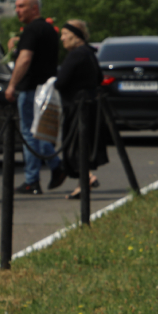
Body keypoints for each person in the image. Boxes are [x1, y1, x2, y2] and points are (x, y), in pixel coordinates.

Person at [4, 0, 63, 195]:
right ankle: (55, 166)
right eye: (16, 7)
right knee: (40, 132)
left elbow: (25, 59)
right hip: (47, 88)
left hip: (31, 89)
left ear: (34, 8)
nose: (17, 11)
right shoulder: (49, 30)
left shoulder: (31, 30)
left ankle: (33, 179)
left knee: (30, 135)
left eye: (21, 6)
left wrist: (12, 85)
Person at [54, 19, 107, 198]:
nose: (62, 39)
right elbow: (99, 78)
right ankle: (82, 185)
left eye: (65, 34)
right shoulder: (89, 53)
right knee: (81, 147)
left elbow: (61, 81)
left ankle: (87, 179)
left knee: (74, 148)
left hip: (76, 107)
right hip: (89, 105)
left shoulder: (76, 55)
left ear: (75, 36)